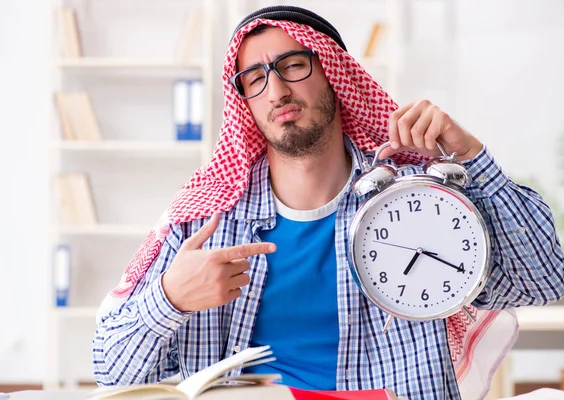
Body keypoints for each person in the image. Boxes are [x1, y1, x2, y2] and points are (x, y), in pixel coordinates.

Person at [92, 6, 564, 400]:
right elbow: (110, 373)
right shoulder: (202, 219)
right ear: (245, 104)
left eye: (292, 66)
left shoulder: (421, 199)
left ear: (336, 73)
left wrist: (469, 155)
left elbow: (545, 280)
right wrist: (169, 298)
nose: (276, 90)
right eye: (254, 78)